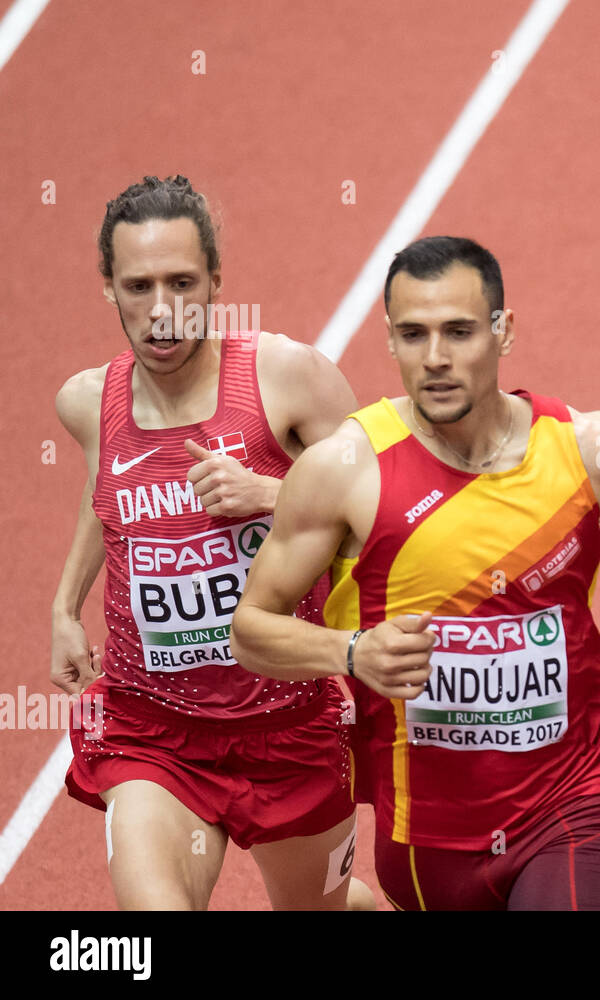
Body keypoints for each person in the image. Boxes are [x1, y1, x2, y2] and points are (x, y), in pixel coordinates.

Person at [230, 236, 600, 911]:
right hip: (427, 842)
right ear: (388, 339)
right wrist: (352, 651)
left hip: (572, 801)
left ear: (504, 332)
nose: (436, 358)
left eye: (460, 332)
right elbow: (251, 630)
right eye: (413, 335)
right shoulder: (342, 470)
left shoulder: (586, 449)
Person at [50, 175, 369, 909]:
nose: (161, 312)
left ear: (217, 281)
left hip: (289, 728)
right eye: (138, 286)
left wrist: (275, 494)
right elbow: (109, 499)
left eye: (182, 283)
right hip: (151, 729)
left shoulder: (289, 379)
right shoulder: (87, 403)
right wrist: (66, 604)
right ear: (109, 288)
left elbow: (387, 506)